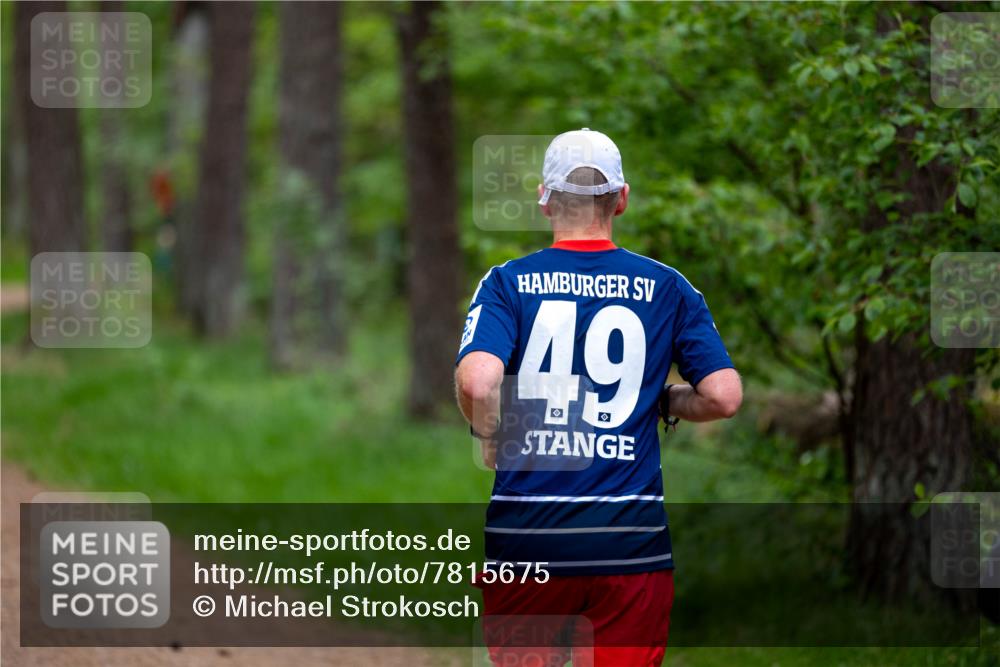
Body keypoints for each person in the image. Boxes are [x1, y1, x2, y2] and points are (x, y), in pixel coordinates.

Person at [455, 128, 743, 666]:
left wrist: (490, 437)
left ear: (544, 198)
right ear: (622, 198)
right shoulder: (669, 287)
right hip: (631, 544)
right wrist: (665, 401)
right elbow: (724, 397)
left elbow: (477, 382)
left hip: (528, 540)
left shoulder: (506, 283)